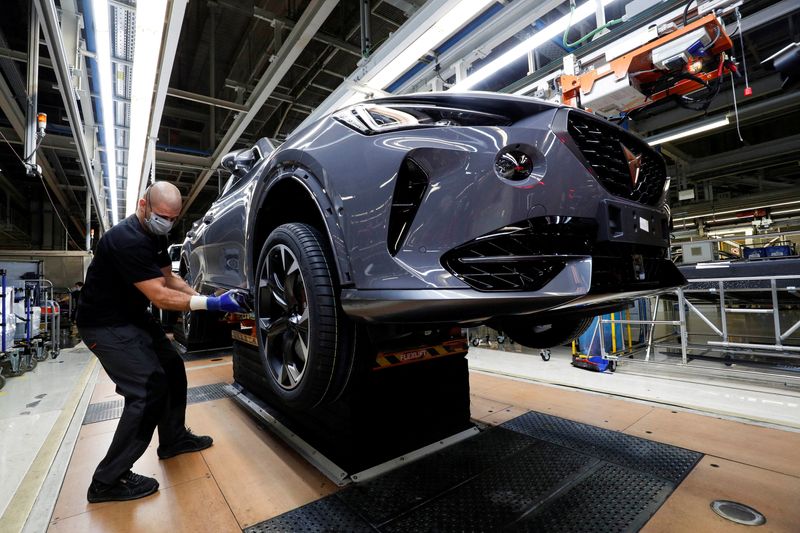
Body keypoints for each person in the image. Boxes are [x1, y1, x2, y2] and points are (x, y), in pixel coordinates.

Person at [76, 182, 244, 503]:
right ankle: (107, 481)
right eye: (161, 216)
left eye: (172, 218)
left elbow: (170, 279)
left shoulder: (157, 234)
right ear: (143, 206)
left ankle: (173, 439)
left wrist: (207, 298)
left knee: (172, 367)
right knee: (148, 389)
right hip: (104, 324)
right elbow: (160, 296)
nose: (166, 222)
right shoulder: (125, 239)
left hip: (133, 317)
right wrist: (214, 306)